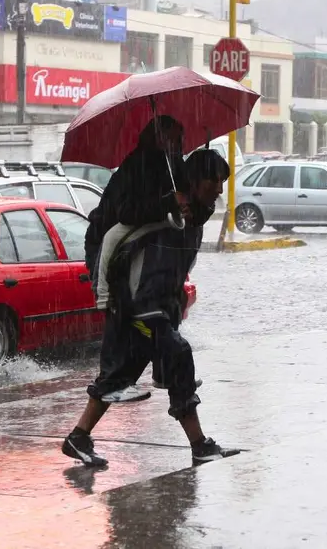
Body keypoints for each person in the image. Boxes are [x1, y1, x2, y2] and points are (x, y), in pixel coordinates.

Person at [63, 149, 238, 467]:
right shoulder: (163, 213)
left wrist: (176, 302)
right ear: (197, 180)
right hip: (137, 307)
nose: (219, 189)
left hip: (158, 307)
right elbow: (120, 244)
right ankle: (199, 445)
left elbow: (179, 267)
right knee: (178, 356)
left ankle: (78, 437)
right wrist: (112, 299)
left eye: (223, 182)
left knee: (121, 374)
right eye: (214, 180)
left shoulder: (193, 220)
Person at [92, 116, 187, 311]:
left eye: (179, 141)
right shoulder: (135, 165)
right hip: (133, 227)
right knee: (111, 238)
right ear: (159, 137)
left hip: (163, 227)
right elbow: (127, 213)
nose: (178, 145)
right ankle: (103, 292)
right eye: (173, 140)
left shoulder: (174, 163)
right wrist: (168, 202)